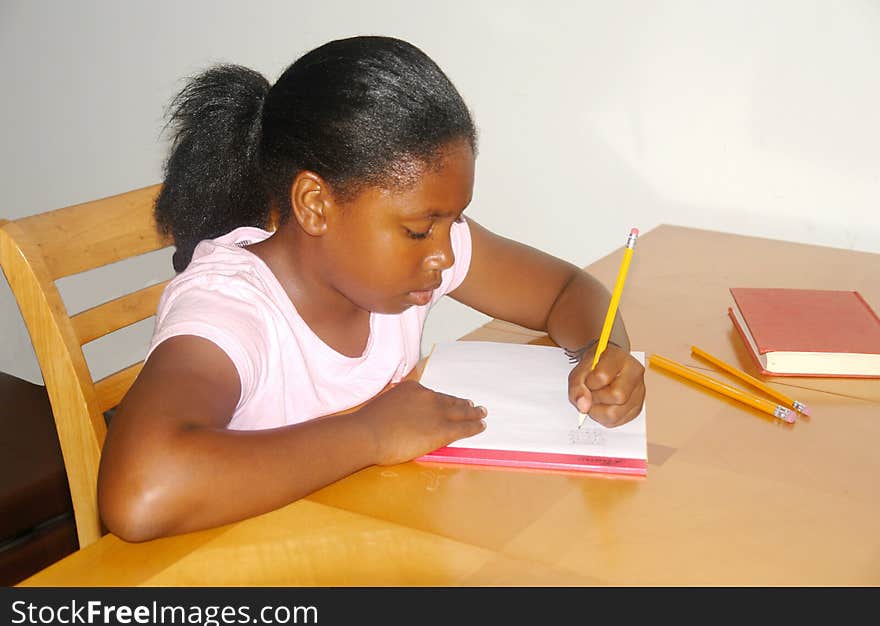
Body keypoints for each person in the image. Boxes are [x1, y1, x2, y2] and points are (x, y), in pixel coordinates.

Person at [97, 36, 646, 542]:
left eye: (454, 222)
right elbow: (140, 494)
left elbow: (566, 290)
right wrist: (368, 436)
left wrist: (605, 351)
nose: (447, 255)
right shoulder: (232, 309)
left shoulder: (406, 266)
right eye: (418, 230)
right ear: (315, 205)